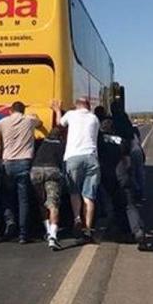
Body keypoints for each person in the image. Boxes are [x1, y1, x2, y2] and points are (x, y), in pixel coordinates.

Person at [51, 97, 100, 243]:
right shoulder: (94, 118)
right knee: (89, 196)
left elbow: (59, 125)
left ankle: (77, 218)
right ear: (88, 106)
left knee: (74, 192)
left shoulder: (71, 115)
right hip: (91, 157)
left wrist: (57, 110)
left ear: (76, 106)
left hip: (73, 157)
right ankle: (88, 229)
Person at [0, 101, 42, 244]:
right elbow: (39, 123)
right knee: (23, 199)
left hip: (7, 162)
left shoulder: (2, 122)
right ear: (23, 111)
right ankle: (23, 234)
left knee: (8, 196)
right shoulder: (29, 120)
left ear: (10, 111)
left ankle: (10, 223)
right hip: (24, 162)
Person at [110, 101, 147, 247]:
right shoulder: (126, 127)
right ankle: (138, 231)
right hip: (125, 168)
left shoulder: (107, 137)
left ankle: (124, 232)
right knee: (129, 203)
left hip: (112, 174)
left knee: (119, 204)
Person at [30, 127, 65, 251]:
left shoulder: (41, 142)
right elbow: (63, 162)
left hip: (36, 170)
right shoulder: (61, 145)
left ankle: (47, 230)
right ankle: (53, 236)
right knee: (53, 204)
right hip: (52, 170)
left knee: (42, 203)